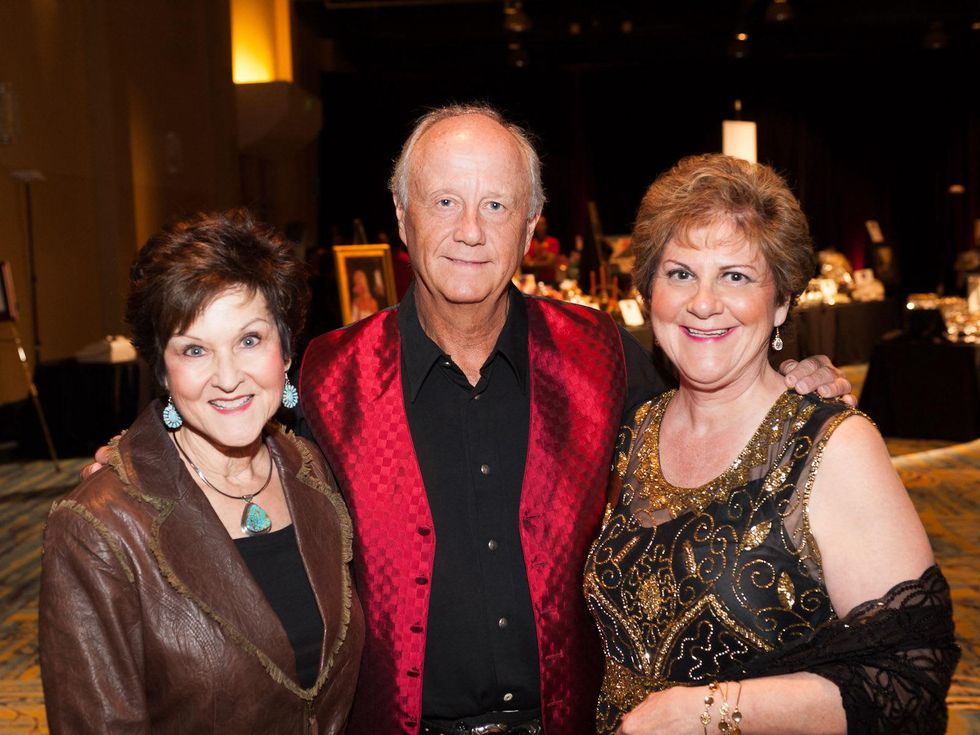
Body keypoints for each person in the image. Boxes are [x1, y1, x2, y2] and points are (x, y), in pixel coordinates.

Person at [298, 105, 852, 735]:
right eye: (444, 201)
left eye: (498, 206)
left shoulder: (603, 355)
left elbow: (709, 423)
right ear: (402, 215)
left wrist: (790, 385)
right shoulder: (327, 377)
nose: (471, 231)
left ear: (531, 225)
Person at [583, 154, 959, 734]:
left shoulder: (832, 446)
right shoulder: (632, 429)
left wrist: (711, 711)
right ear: (648, 291)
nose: (703, 302)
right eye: (680, 273)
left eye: (736, 276)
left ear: (781, 301)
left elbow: (912, 676)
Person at [42, 210, 364, 734]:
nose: (229, 377)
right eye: (195, 349)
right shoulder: (99, 527)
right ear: (163, 369)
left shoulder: (312, 470)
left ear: (285, 350)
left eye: (250, 340)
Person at [522, 214, 561, 283]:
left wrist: (532, 263)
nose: (541, 227)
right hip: (532, 282)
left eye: (543, 224)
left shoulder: (553, 242)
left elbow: (550, 264)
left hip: (549, 282)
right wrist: (542, 258)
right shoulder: (529, 243)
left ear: (546, 226)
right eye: (538, 224)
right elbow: (525, 264)